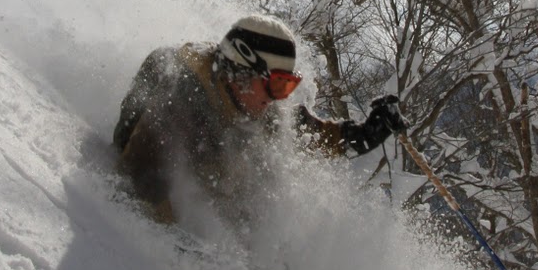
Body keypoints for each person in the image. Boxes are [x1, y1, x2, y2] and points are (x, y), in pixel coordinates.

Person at [113, 12, 404, 228]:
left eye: (288, 87)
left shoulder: (261, 107)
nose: (277, 99)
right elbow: (142, 174)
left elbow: (311, 135)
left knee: (264, 169)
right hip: (152, 178)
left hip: (210, 179)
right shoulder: (181, 90)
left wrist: (366, 133)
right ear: (242, 70)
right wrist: (179, 252)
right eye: (277, 85)